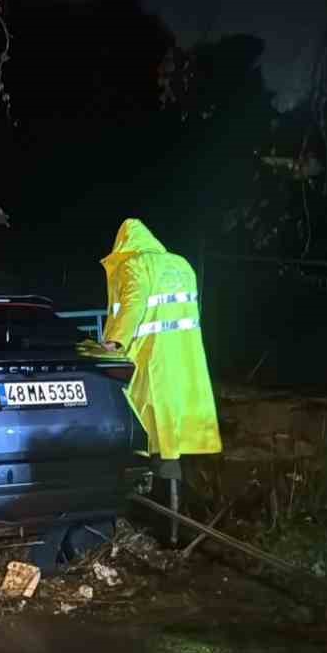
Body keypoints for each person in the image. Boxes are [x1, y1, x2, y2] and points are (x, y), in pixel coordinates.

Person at [100, 219, 221, 540]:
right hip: (187, 366)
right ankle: (183, 521)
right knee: (175, 442)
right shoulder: (181, 264)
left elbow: (134, 305)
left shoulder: (135, 266)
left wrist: (113, 342)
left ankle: (167, 529)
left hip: (153, 365)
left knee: (155, 439)